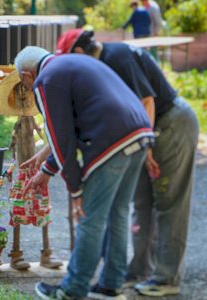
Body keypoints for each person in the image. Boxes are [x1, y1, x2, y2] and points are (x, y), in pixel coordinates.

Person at [56, 28, 199, 297]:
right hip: (142, 135)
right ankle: (138, 271)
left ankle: (166, 277)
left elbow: (148, 101)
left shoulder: (117, 55)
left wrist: (147, 151)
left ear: (78, 53)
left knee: (169, 203)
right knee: (140, 203)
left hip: (170, 124)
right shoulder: (102, 64)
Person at [14, 46, 154, 299]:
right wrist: (47, 168)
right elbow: (71, 131)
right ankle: (111, 285)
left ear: (26, 75)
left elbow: (61, 136)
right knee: (118, 214)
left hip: (112, 143)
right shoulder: (71, 62)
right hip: (140, 134)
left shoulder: (46, 80)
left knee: (90, 218)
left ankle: (73, 289)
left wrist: (76, 189)